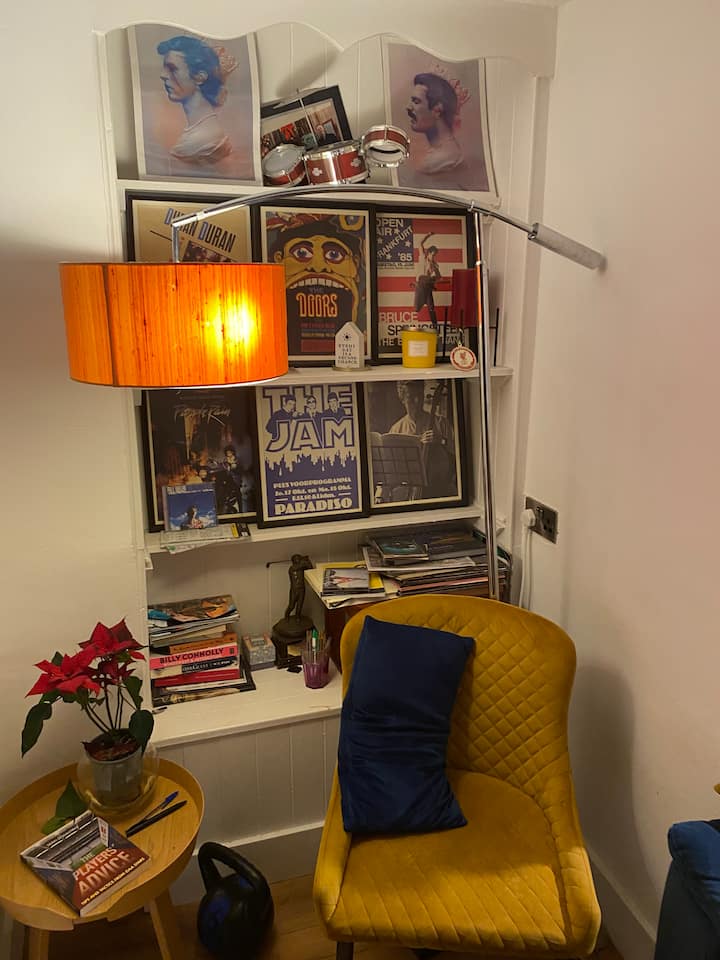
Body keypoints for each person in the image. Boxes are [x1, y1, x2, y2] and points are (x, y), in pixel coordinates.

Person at [157, 35, 233, 164]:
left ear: (199, 77)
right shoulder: (199, 132)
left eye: (172, 68)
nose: (163, 75)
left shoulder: (202, 141)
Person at [388, 381, 456, 498]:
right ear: (402, 399)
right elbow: (390, 467)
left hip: (439, 490)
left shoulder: (441, 423)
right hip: (409, 492)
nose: (417, 401)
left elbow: (458, 454)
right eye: (411, 397)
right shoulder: (396, 429)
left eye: (419, 396)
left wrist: (441, 440)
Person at [406, 72, 463, 175]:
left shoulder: (439, 162)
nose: (408, 107)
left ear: (437, 110)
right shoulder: (446, 153)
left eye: (416, 101)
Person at [414, 232, 442, 324]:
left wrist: (435, 274)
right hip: (420, 285)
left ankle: (435, 326)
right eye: (432, 254)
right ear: (429, 253)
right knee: (416, 308)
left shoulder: (435, 265)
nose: (433, 257)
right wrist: (428, 235)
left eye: (435, 255)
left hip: (428, 286)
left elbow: (439, 277)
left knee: (431, 308)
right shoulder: (423, 257)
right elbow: (420, 243)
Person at [284, 554, 313, 620]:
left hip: (302, 589)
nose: (299, 560)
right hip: (294, 590)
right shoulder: (291, 568)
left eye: (299, 558)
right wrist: (304, 560)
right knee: (291, 606)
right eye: (297, 558)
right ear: (293, 560)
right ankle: (287, 615)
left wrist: (308, 561)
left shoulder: (301, 567)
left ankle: (297, 617)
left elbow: (310, 568)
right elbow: (298, 567)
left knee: (300, 605)